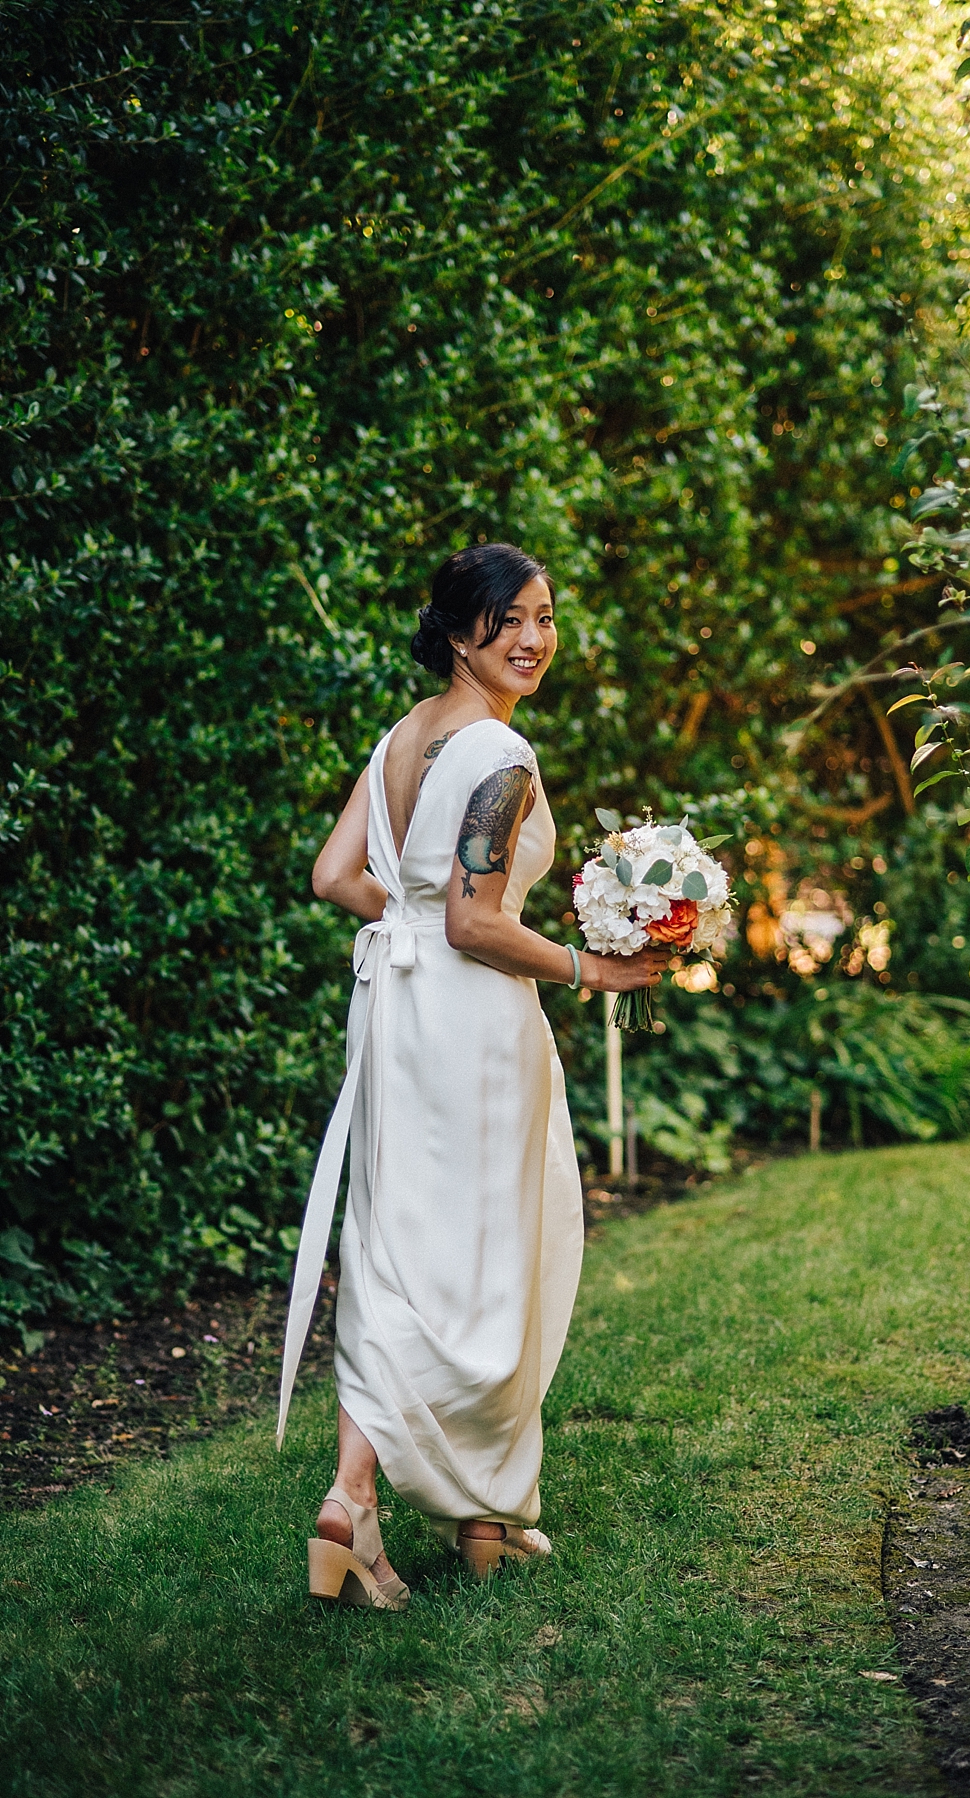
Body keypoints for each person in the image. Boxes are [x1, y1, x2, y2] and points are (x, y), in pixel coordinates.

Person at [276, 542, 670, 1608]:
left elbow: (334, 876)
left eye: (546, 616)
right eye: (511, 620)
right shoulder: (499, 754)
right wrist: (598, 966)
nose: (536, 638)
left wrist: (404, 926)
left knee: (398, 1247)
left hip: (393, 1013)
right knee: (488, 1260)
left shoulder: (400, 737)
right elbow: (475, 920)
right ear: (460, 633)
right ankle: (471, 1514)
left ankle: (367, 1504)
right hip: (469, 1032)